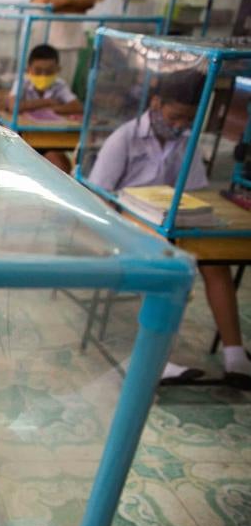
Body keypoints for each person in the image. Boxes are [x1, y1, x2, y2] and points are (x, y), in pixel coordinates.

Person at [88, 71, 250, 389]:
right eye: (175, 117)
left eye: (187, 120)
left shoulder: (184, 143)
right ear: (156, 103)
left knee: (216, 263)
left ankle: (235, 356)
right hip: (126, 224)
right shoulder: (124, 138)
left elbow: (195, 191)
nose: (179, 126)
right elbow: (97, 199)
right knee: (168, 261)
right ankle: (155, 359)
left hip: (169, 223)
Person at [7, 44, 82, 172]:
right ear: (28, 69)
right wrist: (47, 102)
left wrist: (51, 109)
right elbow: (14, 106)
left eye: (49, 72)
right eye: (38, 71)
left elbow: (77, 106)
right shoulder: (22, 83)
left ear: (58, 69)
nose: (43, 75)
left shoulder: (59, 85)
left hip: (52, 140)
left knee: (57, 163)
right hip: (23, 139)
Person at [29, 0, 98, 83]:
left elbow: (90, 1)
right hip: (44, 41)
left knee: (65, 85)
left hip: (71, 42)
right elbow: (44, 4)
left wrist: (59, 2)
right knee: (39, 84)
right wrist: (78, 5)